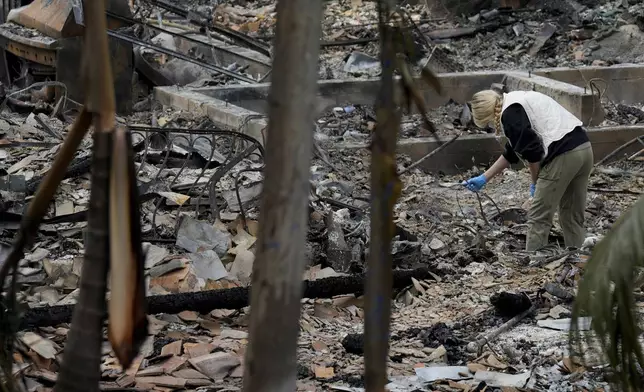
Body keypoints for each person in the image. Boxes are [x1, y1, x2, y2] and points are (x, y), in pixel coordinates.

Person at [462, 89, 593, 251]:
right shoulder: (516, 100)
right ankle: (579, 260)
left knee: (539, 218)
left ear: (485, 115)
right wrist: (484, 177)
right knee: (571, 215)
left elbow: (532, 151)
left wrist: (535, 182)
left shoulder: (509, 114)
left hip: (563, 156)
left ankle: (534, 265)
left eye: (487, 123)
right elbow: (512, 152)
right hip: (584, 149)